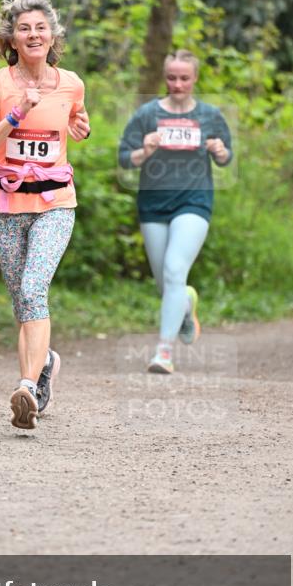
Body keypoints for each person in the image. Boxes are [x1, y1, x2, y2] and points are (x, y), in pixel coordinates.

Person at [0, 0, 90, 430]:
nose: (34, 34)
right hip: (6, 204)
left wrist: (82, 126)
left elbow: (76, 120)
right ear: (11, 39)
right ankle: (45, 366)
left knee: (34, 287)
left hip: (55, 202)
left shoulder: (71, 83)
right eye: (24, 28)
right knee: (23, 300)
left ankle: (27, 387)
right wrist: (15, 115)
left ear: (53, 36)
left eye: (41, 27)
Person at [118, 50, 233, 373]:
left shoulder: (210, 115)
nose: (178, 84)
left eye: (184, 78)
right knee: (166, 284)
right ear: (164, 77)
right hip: (153, 204)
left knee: (173, 270)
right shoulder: (147, 114)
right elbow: (125, 158)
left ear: (195, 78)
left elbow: (227, 157)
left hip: (194, 202)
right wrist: (144, 151)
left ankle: (163, 353)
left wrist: (220, 151)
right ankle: (186, 303)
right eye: (172, 78)